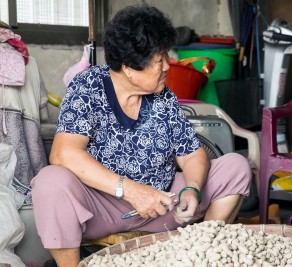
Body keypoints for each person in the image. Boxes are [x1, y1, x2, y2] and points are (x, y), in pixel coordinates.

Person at [31, 4, 252, 267]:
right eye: (159, 60)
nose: (168, 66)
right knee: (50, 181)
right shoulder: (88, 86)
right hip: (100, 211)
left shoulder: (164, 96)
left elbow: (192, 152)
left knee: (236, 166)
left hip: (163, 206)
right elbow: (63, 153)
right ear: (128, 68)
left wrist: (192, 189)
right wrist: (132, 192)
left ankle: (200, 252)